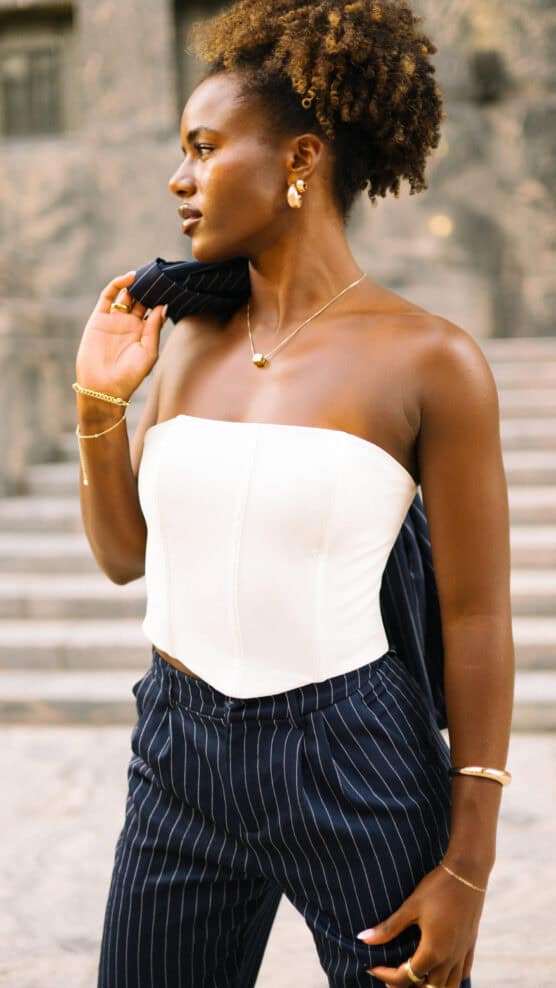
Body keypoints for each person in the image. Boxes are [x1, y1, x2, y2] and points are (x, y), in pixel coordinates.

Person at [73, 1, 514, 986]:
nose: (179, 178)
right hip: (178, 758)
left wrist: (468, 863)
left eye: (203, 147)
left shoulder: (430, 360)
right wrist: (99, 402)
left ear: (299, 159)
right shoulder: (186, 339)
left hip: (353, 759)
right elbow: (124, 557)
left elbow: (478, 617)